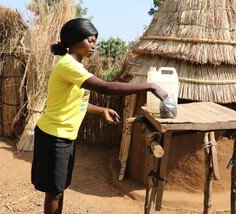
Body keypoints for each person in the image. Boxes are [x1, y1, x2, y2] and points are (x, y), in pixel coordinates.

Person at [31, 18, 167, 214]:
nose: (94, 45)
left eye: (95, 41)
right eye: (90, 41)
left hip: (64, 135)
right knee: (54, 191)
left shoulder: (76, 66)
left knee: (59, 188)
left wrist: (101, 110)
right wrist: (149, 86)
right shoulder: (68, 65)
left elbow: (78, 103)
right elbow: (106, 87)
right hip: (54, 135)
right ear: (75, 40)